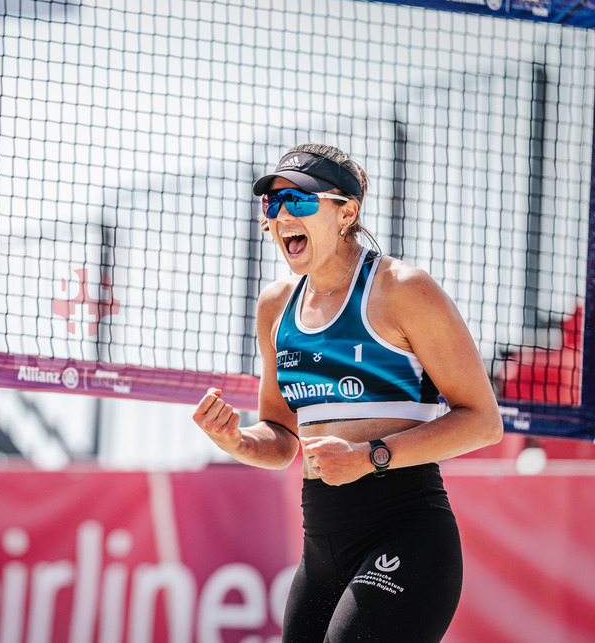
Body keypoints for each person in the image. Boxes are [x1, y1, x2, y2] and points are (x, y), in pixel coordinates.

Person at [192, 143, 503, 642]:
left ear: (346, 212)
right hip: (320, 544)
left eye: (300, 201)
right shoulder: (275, 305)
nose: (282, 215)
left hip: (405, 531)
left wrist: (369, 456)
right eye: (273, 204)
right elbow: (280, 436)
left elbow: (483, 421)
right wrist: (237, 442)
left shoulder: (402, 289)